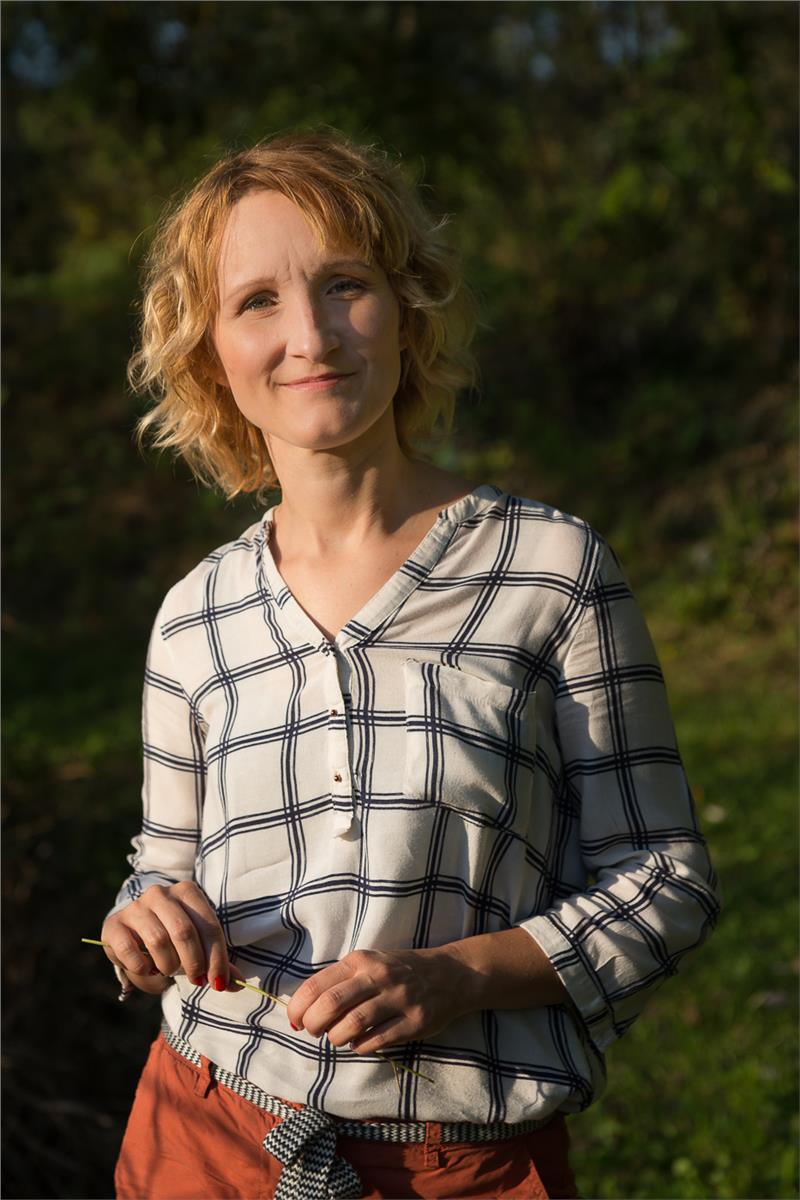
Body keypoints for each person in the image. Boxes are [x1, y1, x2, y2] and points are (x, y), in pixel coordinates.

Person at [101, 129, 721, 1200]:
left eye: (344, 285)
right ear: (209, 353)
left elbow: (665, 881)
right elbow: (164, 870)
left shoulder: (551, 569)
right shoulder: (194, 616)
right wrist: (143, 919)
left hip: (464, 1165)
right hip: (200, 1137)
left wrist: (457, 978)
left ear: (407, 305)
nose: (310, 336)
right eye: (257, 302)